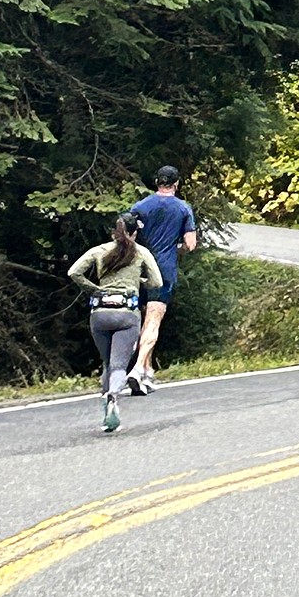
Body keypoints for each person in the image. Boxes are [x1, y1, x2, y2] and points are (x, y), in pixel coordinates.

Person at [68, 212, 162, 433]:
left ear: (115, 230)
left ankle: (106, 413)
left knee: (107, 363)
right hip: (126, 314)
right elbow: (157, 282)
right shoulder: (141, 253)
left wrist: (94, 289)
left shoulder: (99, 251)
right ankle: (113, 397)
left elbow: (74, 272)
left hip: (99, 313)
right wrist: (139, 282)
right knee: (119, 364)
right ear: (135, 232)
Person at [125, 164, 196, 395]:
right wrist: (178, 249)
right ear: (176, 184)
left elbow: (126, 234)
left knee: (141, 319)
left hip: (139, 269)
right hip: (164, 270)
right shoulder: (183, 208)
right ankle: (137, 369)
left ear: (156, 182)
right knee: (154, 320)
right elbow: (190, 244)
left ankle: (146, 370)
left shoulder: (140, 206)